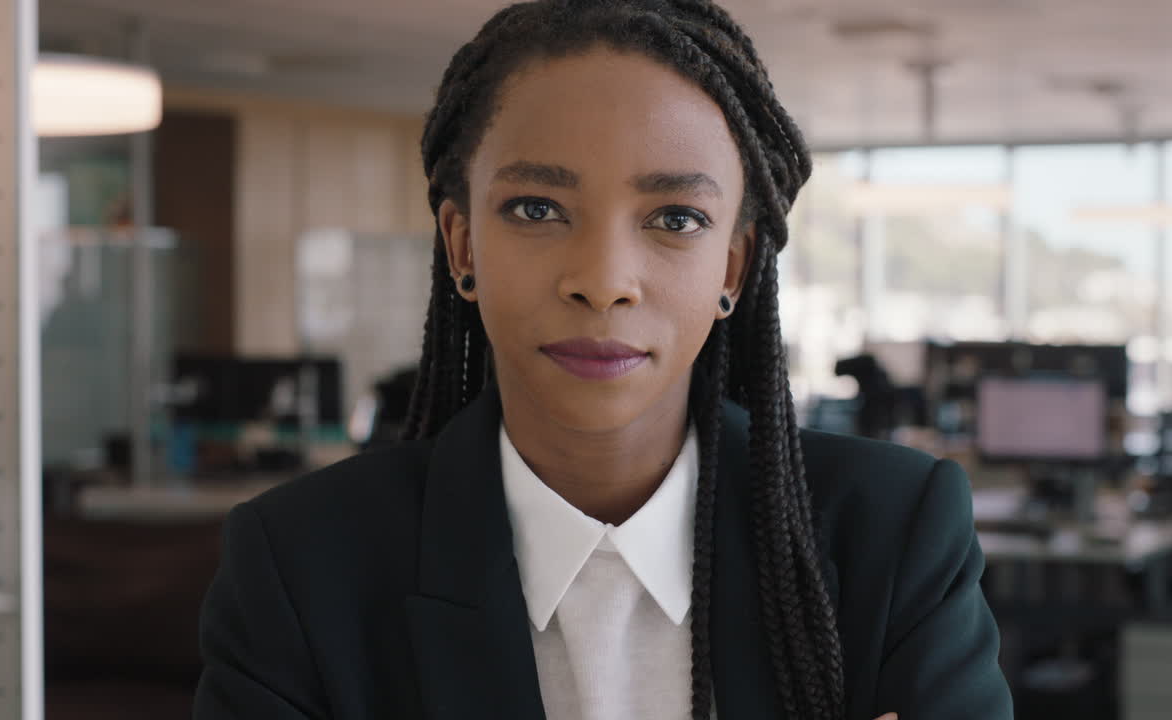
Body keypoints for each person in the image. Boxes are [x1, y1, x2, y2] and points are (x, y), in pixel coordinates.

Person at [192, 1, 1013, 719]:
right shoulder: (300, 564)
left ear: (733, 267)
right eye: (537, 208)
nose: (603, 280)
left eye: (676, 218)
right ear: (463, 245)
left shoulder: (893, 535)